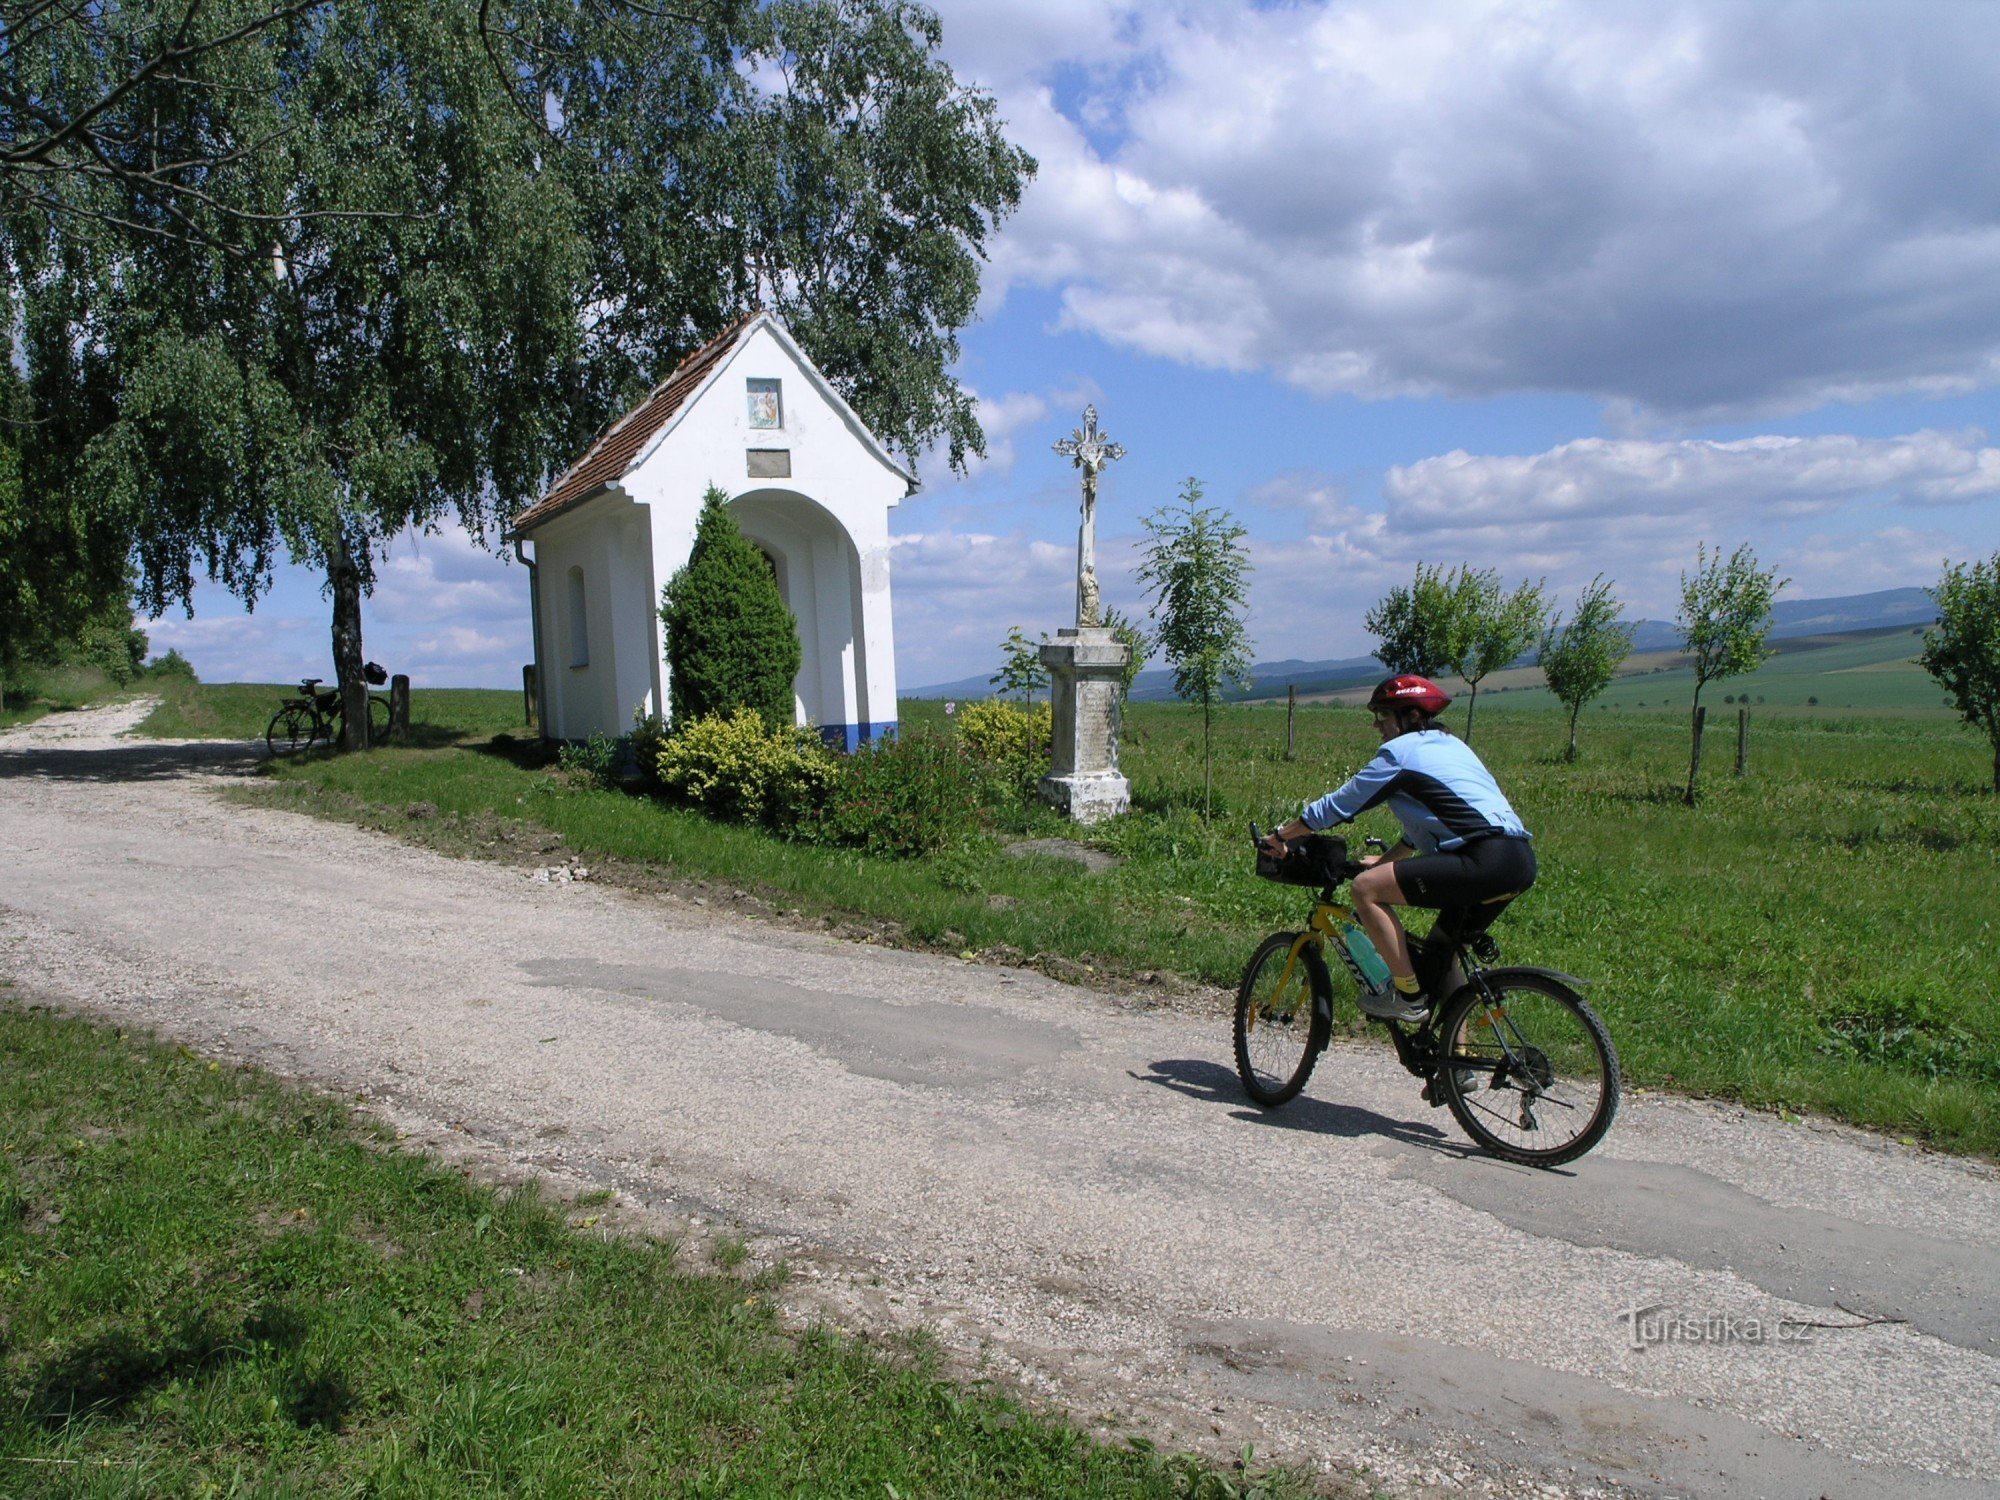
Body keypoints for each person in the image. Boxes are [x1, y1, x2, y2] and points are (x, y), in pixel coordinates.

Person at [1259, 673, 1535, 1022]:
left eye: (1383, 716)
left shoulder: (1399, 754)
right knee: (1441, 954)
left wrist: (1283, 837)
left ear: (1412, 716)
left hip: (1480, 859)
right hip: (1517, 860)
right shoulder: (1453, 746)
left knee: (1365, 889)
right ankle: (1458, 1066)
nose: (1377, 725)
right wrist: (1387, 861)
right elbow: (1424, 826)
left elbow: (1339, 806)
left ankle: (1407, 996)